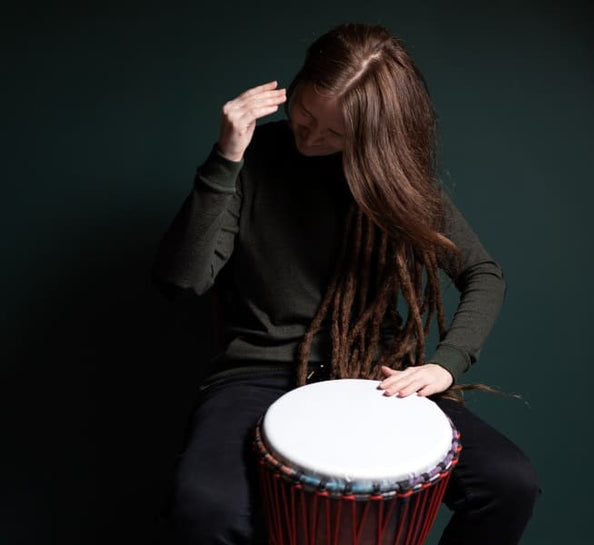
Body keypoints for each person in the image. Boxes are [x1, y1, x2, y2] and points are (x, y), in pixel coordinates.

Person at [152, 22, 540, 545]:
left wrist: (444, 366)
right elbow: (182, 279)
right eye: (305, 115)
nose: (310, 137)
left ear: (369, 134)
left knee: (509, 484)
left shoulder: (391, 179)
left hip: (372, 376)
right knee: (203, 509)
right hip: (255, 375)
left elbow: (482, 274)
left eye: (333, 133)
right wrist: (225, 157)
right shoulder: (250, 158)